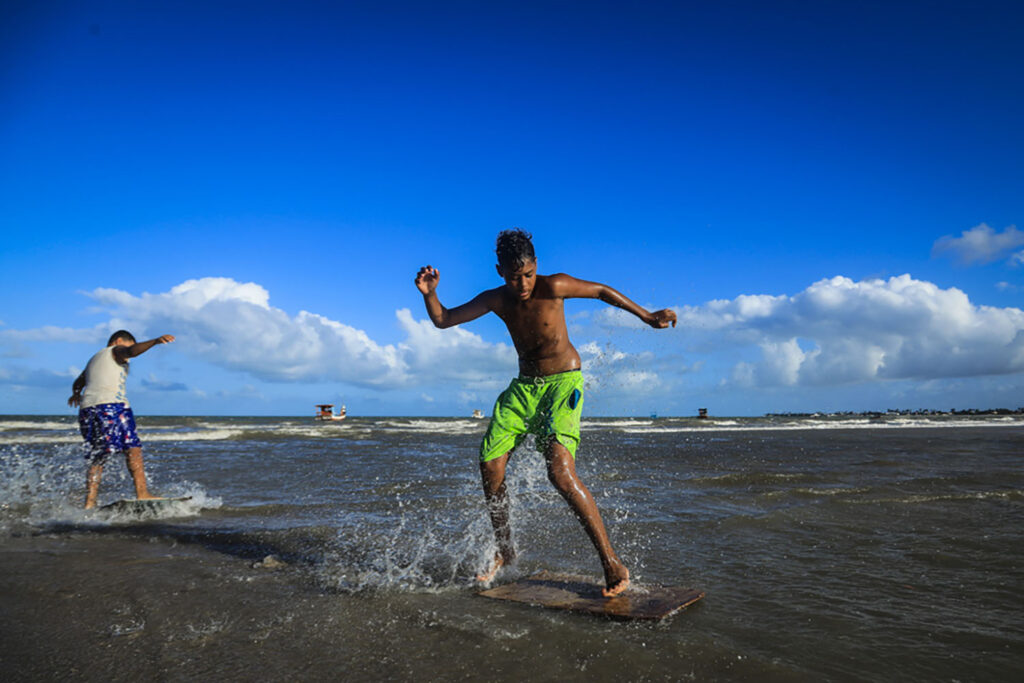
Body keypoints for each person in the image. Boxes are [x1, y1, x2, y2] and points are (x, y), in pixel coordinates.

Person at [415, 229, 676, 597]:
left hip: (562, 385)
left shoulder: (554, 286)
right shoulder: (497, 298)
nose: (521, 284)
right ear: (499, 272)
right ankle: (506, 553)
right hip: (523, 391)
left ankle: (611, 562)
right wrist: (431, 295)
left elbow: (601, 291)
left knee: (560, 473)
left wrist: (648, 316)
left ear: (536, 266)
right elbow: (443, 319)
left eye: (526, 274)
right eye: (512, 276)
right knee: (490, 467)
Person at [68, 330, 176, 509]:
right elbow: (131, 351)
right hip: (112, 406)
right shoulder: (115, 350)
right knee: (133, 448)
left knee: (98, 456)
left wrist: (76, 394)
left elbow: (78, 381)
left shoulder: (94, 359)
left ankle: (89, 502)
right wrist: (155, 341)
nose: (129, 356)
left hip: (87, 410)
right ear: (118, 341)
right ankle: (142, 493)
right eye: (129, 344)